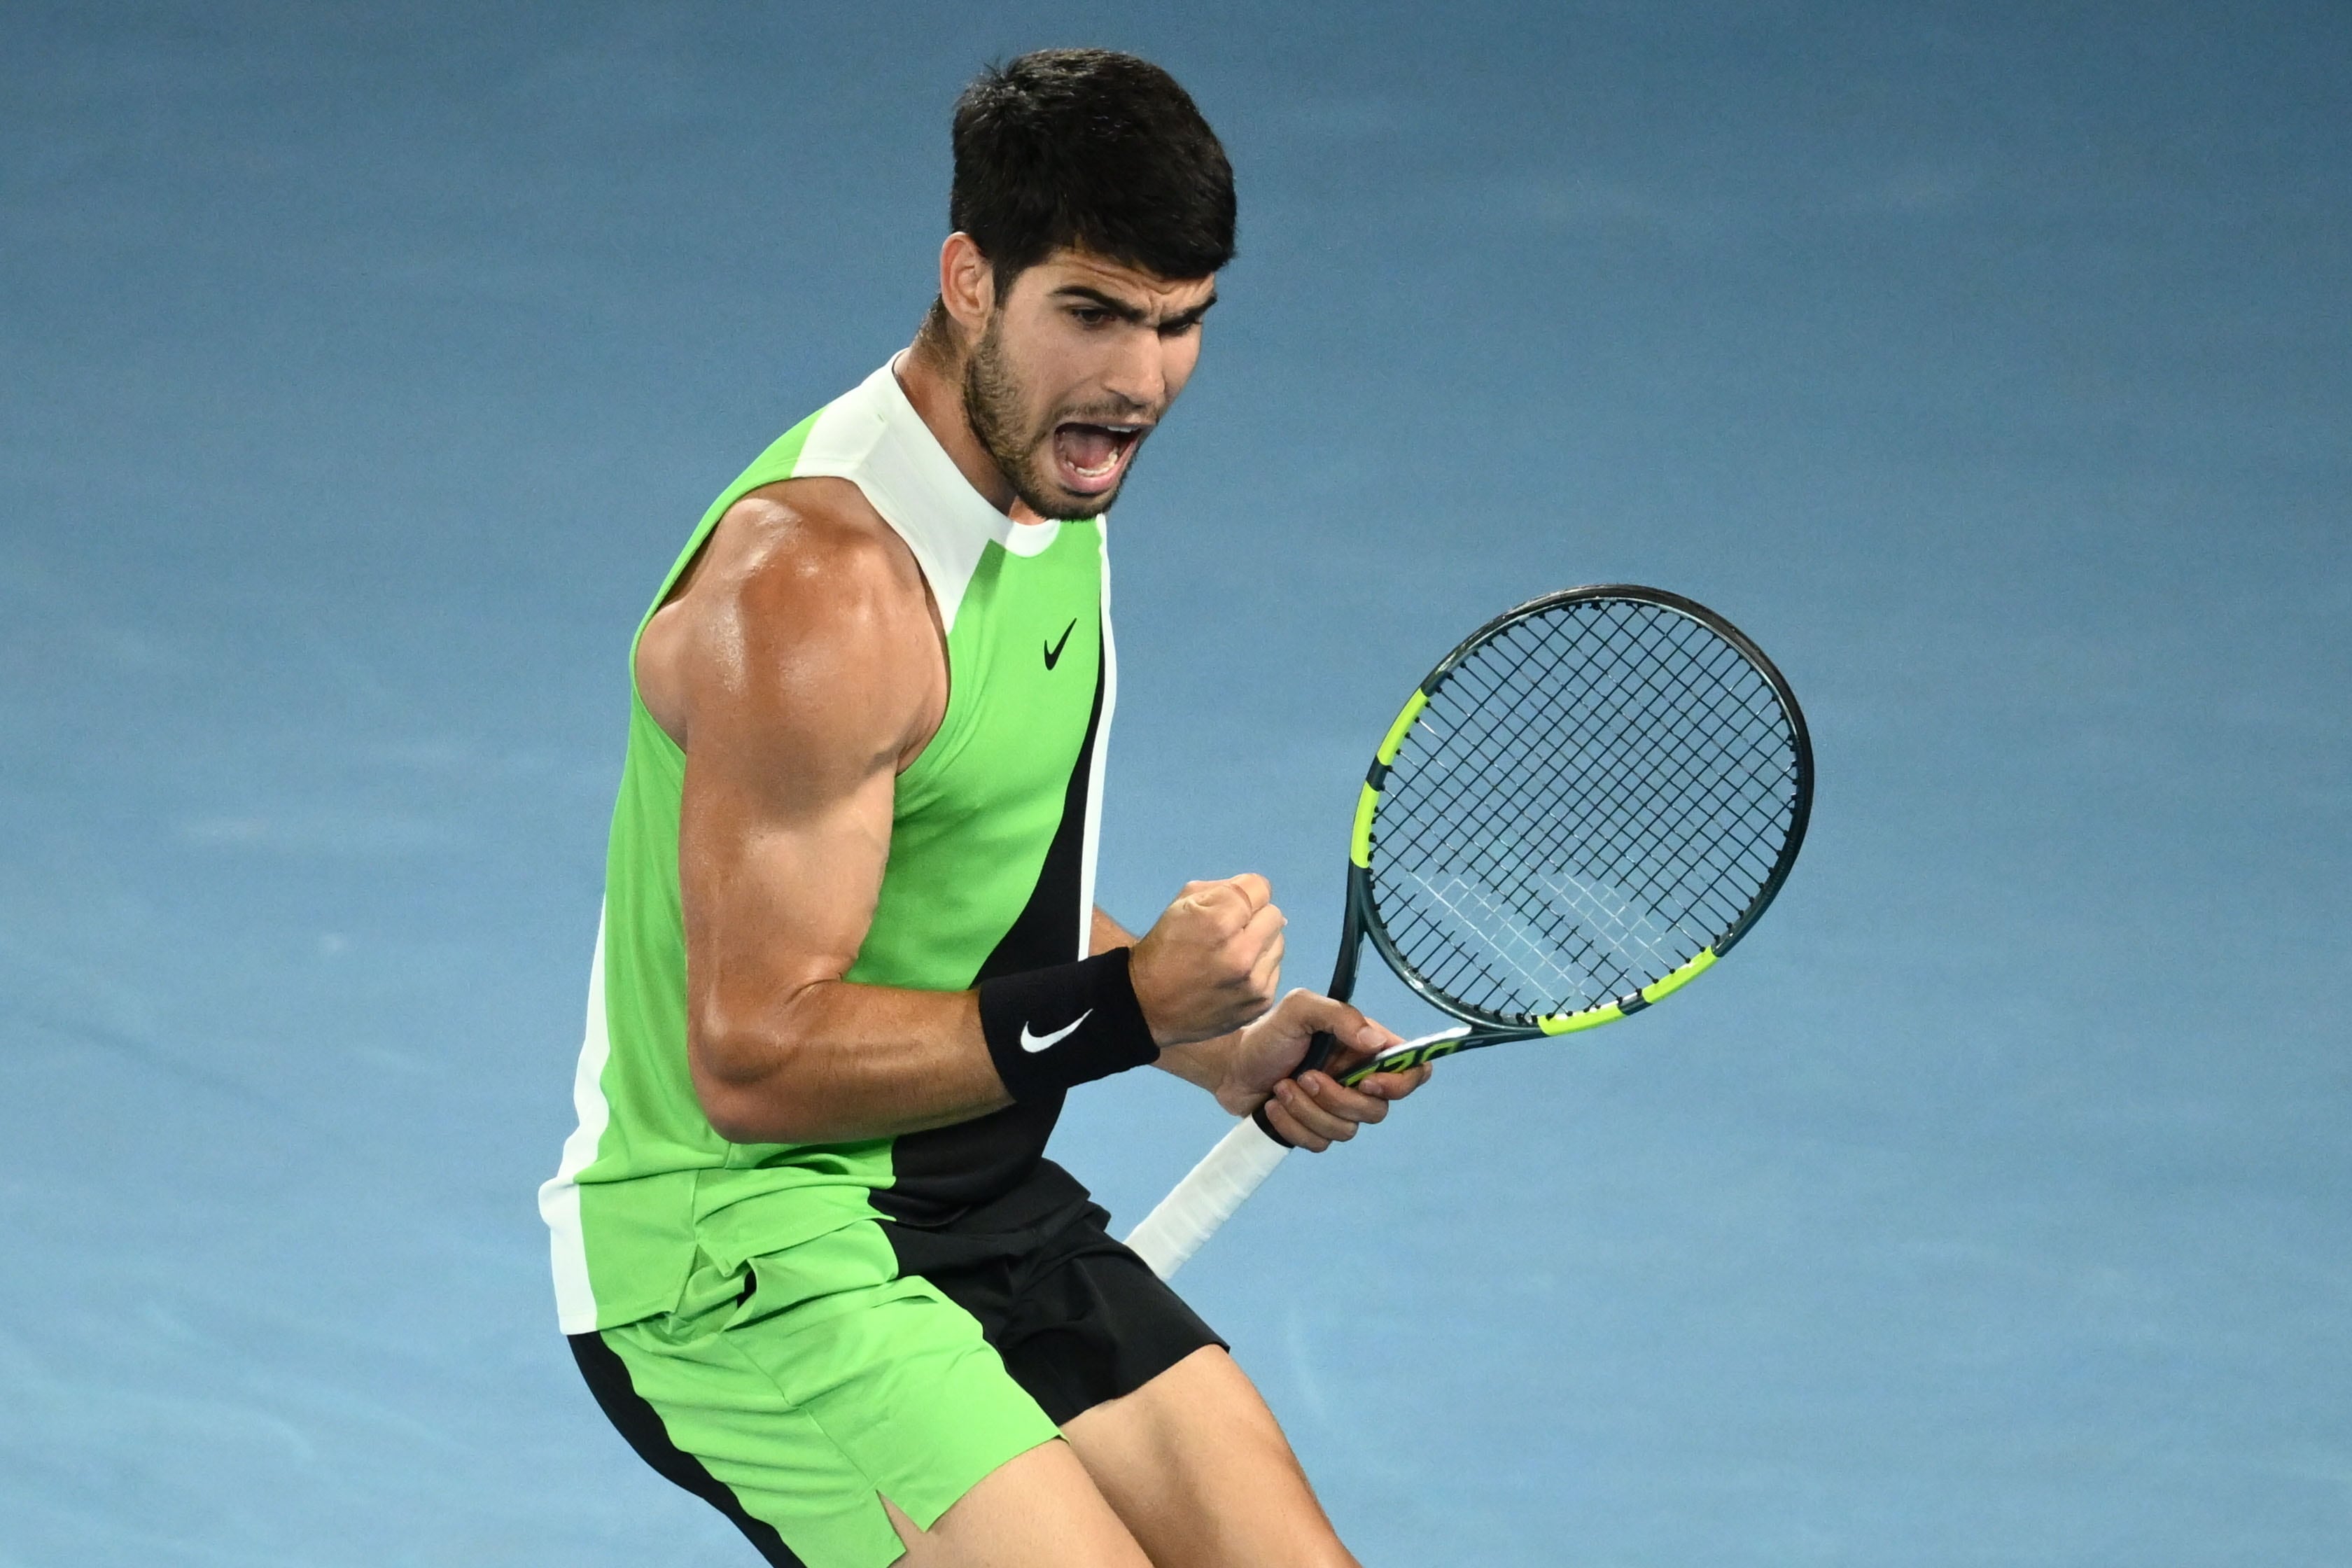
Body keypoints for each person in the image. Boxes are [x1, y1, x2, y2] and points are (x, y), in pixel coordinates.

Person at [539, 48, 1428, 1568]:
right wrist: (1125, 1012)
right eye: (1092, 312)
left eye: (1181, 323)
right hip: (742, 1251)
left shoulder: (1051, 481)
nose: (1139, 380)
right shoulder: (822, 585)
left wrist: (1213, 1042)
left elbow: (974, 897)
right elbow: (754, 1061)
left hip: (981, 1197)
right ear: (971, 282)